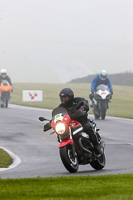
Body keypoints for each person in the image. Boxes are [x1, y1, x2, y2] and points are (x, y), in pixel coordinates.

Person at [58, 87, 102, 156]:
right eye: (62, 98)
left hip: (81, 121)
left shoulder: (77, 100)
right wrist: (51, 122)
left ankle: (96, 146)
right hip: (69, 124)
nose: (64, 100)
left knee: (87, 127)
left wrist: (82, 108)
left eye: (65, 98)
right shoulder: (61, 107)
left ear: (70, 97)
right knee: (60, 133)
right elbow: (58, 115)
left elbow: (85, 103)